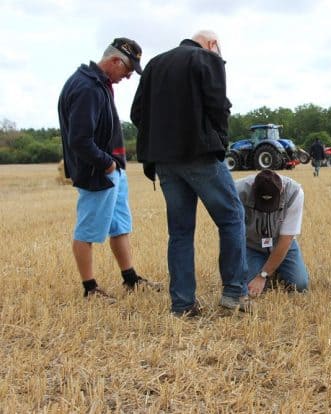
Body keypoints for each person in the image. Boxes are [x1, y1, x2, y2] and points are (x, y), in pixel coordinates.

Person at [130, 30, 249, 316]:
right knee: (232, 218)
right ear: (212, 44)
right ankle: (234, 293)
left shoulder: (154, 65)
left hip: (164, 161)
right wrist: (218, 141)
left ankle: (182, 304)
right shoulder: (206, 59)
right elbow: (218, 106)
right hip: (200, 155)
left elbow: (137, 113)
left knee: (180, 233)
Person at [58, 37, 161, 302]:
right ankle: (90, 289)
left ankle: (130, 279)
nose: (127, 77)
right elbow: (79, 140)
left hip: (111, 171)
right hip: (97, 173)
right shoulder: (87, 88)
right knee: (87, 231)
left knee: (119, 227)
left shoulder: (95, 83)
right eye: (127, 70)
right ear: (115, 60)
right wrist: (106, 164)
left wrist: (115, 166)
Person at [235, 170, 309, 297]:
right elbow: (232, 234)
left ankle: (273, 268)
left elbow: (286, 240)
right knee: (248, 288)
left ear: (282, 190)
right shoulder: (238, 191)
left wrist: (262, 275)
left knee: (300, 286)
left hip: (280, 244)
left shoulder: (294, 193)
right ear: (253, 189)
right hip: (253, 246)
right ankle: (272, 268)